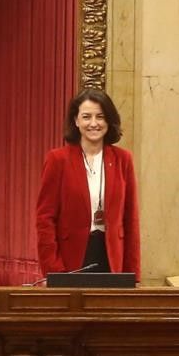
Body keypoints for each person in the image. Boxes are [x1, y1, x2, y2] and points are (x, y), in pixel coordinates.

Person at [36, 88, 140, 279]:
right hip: (71, 259)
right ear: (76, 121)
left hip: (111, 259)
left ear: (108, 120)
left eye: (100, 117)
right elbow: (45, 220)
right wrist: (53, 270)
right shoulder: (57, 160)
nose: (93, 123)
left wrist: (133, 275)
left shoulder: (123, 159)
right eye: (86, 117)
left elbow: (131, 220)